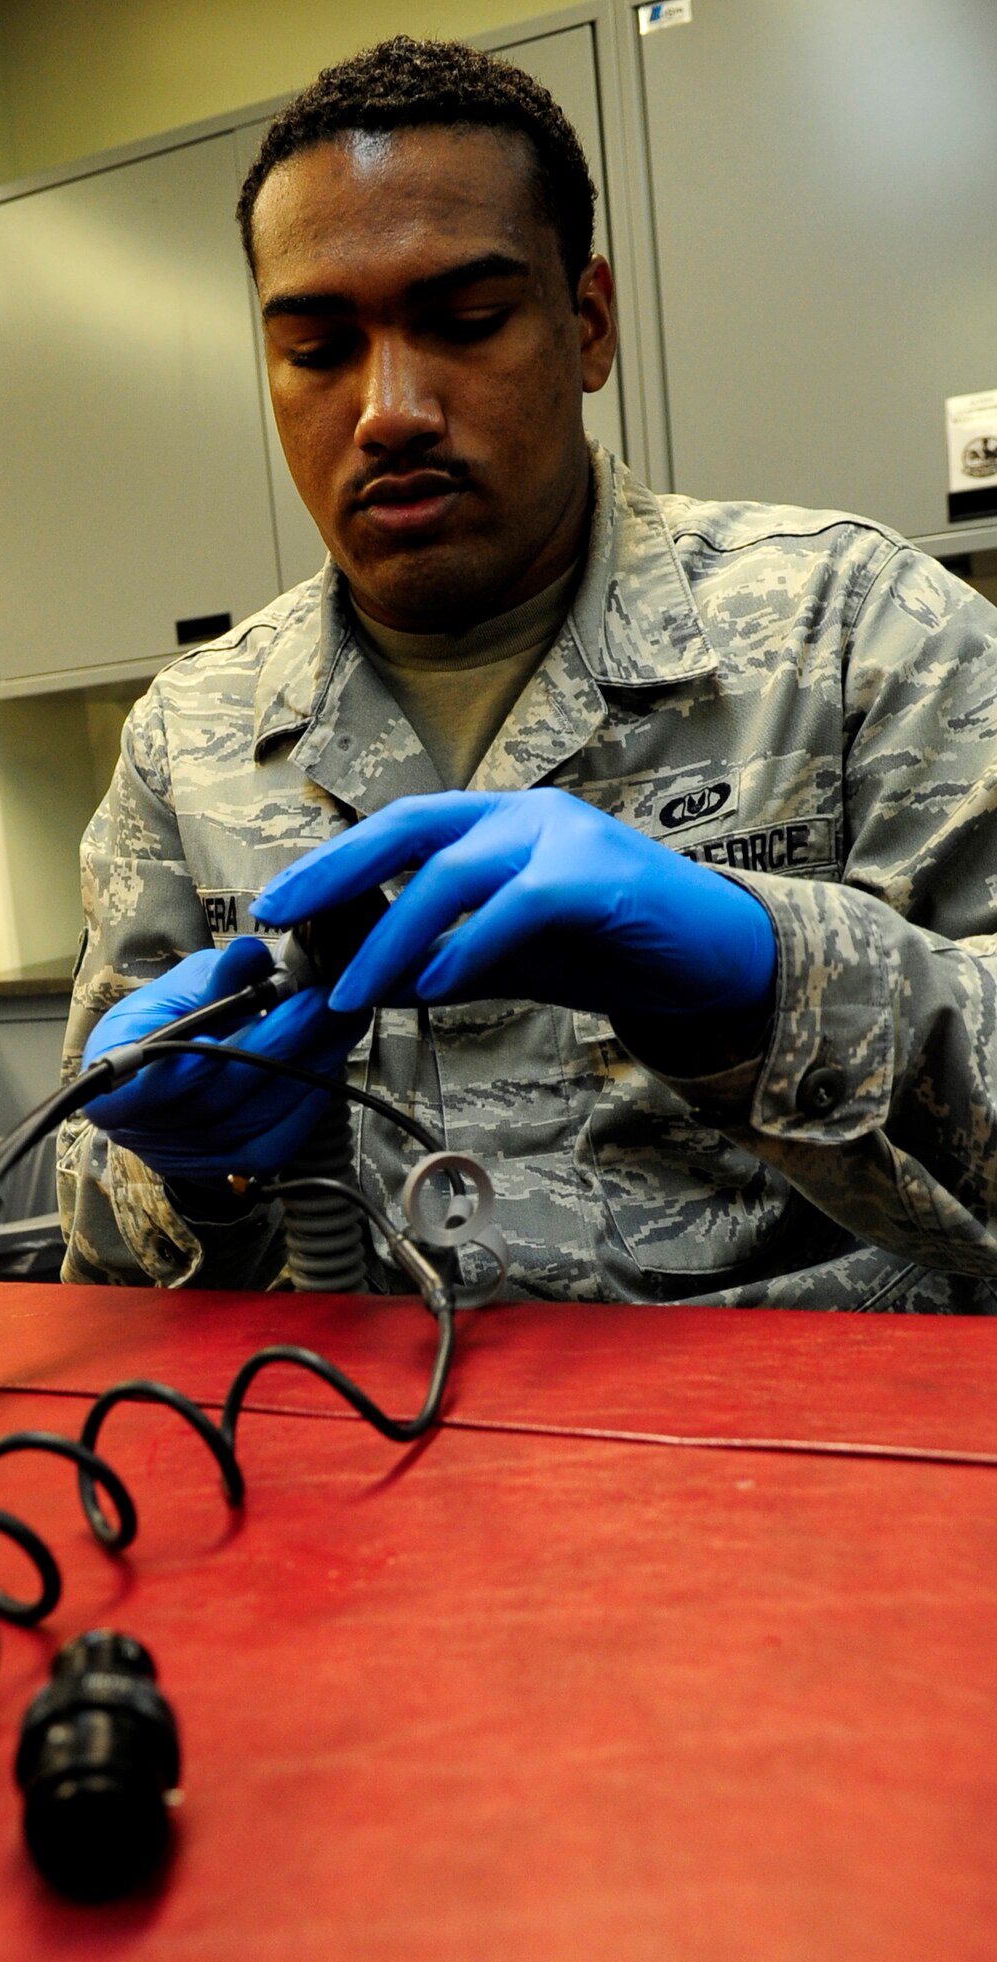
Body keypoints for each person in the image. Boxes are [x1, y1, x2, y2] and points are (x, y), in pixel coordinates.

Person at [56, 35, 997, 1313]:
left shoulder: (852, 630)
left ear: (586, 322)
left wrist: (769, 978)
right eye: (318, 349)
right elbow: (99, 1258)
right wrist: (185, 1171)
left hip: (796, 1462)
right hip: (363, 1467)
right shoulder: (191, 739)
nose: (388, 407)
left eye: (465, 321)